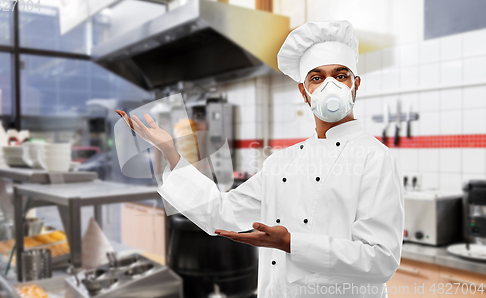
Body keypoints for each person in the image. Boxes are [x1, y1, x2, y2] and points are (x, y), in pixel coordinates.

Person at [116, 20, 404, 298]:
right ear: (304, 92)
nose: (331, 86)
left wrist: (291, 243)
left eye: (340, 75)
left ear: (355, 85)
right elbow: (222, 212)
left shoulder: (375, 158)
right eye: (317, 78)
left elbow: (381, 259)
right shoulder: (282, 163)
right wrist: (170, 152)